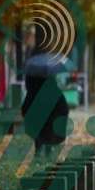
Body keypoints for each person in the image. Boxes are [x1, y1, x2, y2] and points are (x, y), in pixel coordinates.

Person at [21, 26, 70, 159]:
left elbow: (28, 87)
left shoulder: (30, 68)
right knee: (54, 118)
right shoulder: (52, 69)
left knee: (38, 123)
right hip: (52, 103)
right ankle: (49, 147)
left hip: (33, 102)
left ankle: (39, 147)